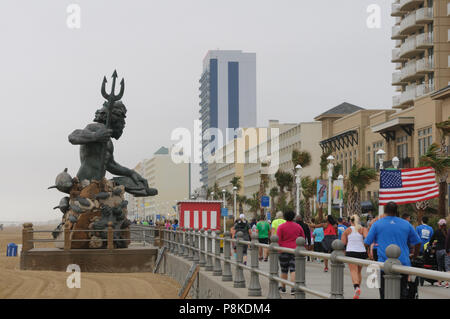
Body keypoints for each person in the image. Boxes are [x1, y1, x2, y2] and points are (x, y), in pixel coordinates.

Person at [364, 201, 421, 299]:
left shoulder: (377, 224)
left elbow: (366, 242)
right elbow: (418, 242)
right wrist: (414, 255)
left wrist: (369, 253)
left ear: (385, 210)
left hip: (384, 265)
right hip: (403, 264)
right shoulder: (406, 224)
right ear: (396, 211)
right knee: (401, 293)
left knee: (384, 293)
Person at [276, 211, 305, 295]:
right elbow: (302, 238)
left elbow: (278, 239)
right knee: (294, 269)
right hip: (295, 250)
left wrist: (279, 249)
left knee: (284, 270)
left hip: (283, 250)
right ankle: (293, 288)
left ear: (284, 217)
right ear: (293, 217)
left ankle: (283, 287)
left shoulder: (281, 227)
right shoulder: (298, 226)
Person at [341, 215, 369, 299]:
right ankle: (358, 289)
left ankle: (356, 287)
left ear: (350, 221)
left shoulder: (347, 230)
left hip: (351, 252)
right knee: (359, 272)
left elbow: (343, 243)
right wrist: (362, 245)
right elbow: (367, 239)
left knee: (353, 271)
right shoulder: (363, 229)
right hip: (361, 252)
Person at [430, 219, 449, 288]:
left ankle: (439, 282)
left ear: (439, 225)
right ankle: (447, 283)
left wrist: (431, 245)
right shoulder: (447, 231)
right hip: (446, 251)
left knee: (439, 266)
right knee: (447, 267)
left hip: (438, 250)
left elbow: (431, 240)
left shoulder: (437, 231)